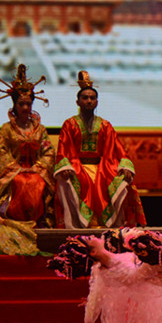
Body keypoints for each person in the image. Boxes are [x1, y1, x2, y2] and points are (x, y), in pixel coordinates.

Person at [0, 64, 55, 255]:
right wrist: (16, 168)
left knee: (37, 181)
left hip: (35, 169)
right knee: (21, 182)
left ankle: (36, 221)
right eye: (21, 104)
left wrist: (39, 166)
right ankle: (14, 219)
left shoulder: (40, 129)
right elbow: (0, 153)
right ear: (15, 106)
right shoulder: (7, 129)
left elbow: (48, 151)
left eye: (28, 104)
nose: (25, 108)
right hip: (14, 171)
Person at [54, 70, 146, 228]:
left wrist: (125, 167)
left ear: (97, 101)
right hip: (77, 167)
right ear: (77, 102)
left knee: (123, 181)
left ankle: (111, 225)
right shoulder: (69, 124)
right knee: (67, 181)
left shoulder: (105, 125)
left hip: (103, 167)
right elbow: (63, 149)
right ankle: (78, 225)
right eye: (85, 98)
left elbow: (118, 148)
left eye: (92, 98)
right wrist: (65, 166)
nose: (89, 101)